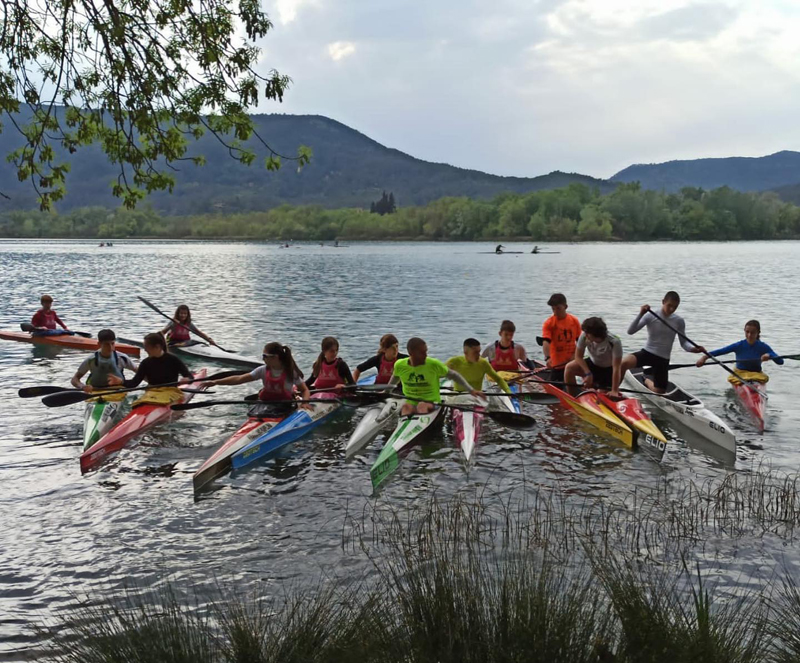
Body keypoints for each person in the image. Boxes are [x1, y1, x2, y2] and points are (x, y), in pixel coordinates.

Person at [620, 291, 704, 394]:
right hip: (647, 353)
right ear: (663, 302)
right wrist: (641, 313)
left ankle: (646, 379)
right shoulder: (650, 316)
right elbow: (630, 331)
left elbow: (684, 343)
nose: (672, 309)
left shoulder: (679, 321)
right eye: (669, 305)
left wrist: (694, 349)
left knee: (659, 392)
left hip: (662, 359)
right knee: (623, 363)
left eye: (675, 307)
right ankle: (614, 390)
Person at [204, 342, 312, 410]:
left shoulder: (290, 372)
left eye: (265, 356)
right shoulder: (262, 370)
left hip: (285, 405)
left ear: (275, 357)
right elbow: (239, 379)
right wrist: (216, 382)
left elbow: (305, 390)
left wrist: (305, 402)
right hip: (265, 403)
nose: (263, 359)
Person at [387, 337, 479, 416]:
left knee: (422, 406)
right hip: (411, 401)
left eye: (425, 351)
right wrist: (385, 392)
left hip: (431, 402)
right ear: (411, 354)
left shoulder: (433, 364)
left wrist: (470, 390)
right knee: (406, 407)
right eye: (422, 353)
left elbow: (454, 375)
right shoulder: (399, 365)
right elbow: (394, 380)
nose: (426, 355)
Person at [108, 333, 194, 404]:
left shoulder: (173, 359)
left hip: (170, 392)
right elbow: (134, 383)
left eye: (146, 346)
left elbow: (190, 377)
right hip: (152, 393)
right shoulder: (145, 363)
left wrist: (187, 379)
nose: (145, 350)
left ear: (157, 347)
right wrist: (121, 382)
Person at [696, 320, 783, 384]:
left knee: (757, 381)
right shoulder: (739, 345)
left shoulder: (763, 346)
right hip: (739, 374)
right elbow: (720, 351)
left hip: (756, 375)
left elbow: (780, 362)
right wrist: (704, 357)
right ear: (744, 331)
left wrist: (769, 355)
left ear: (758, 333)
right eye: (747, 332)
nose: (749, 335)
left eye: (752, 332)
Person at [564, 317, 623, 397]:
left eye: (588, 334)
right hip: (592, 364)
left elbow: (617, 367)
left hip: (608, 370)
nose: (586, 335)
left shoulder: (614, 341)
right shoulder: (584, 335)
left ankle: (600, 388)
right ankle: (572, 396)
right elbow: (578, 357)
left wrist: (614, 390)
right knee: (569, 367)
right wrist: (588, 373)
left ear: (596, 334)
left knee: (600, 394)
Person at [71, 329, 137, 392]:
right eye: (107, 344)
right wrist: (82, 386)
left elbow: (140, 373)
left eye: (112, 343)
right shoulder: (91, 360)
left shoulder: (122, 358)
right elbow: (75, 379)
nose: (111, 347)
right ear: (99, 344)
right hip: (96, 391)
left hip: (117, 391)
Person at [541, 293, 581, 381]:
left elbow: (580, 342)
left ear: (565, 306)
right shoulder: (549, 323)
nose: (555, 312)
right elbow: (545, 342)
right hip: (556, 365)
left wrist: (576, 355)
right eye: (553, 309)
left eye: (558, 308)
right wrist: (548, 358)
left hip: (571, 362)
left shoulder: (574, 321)